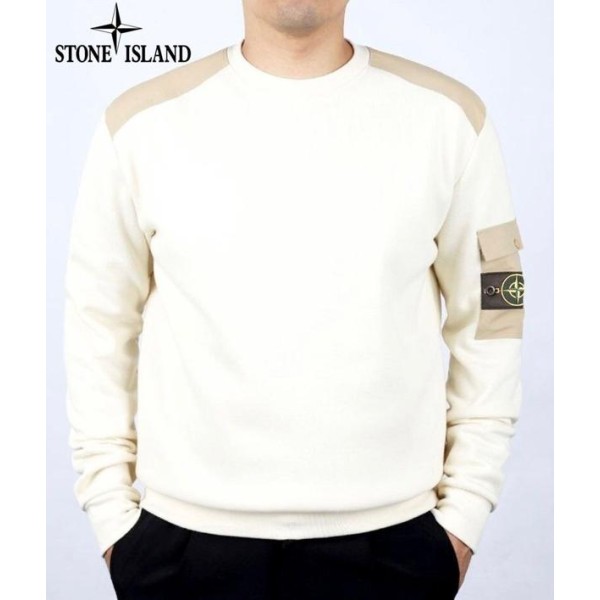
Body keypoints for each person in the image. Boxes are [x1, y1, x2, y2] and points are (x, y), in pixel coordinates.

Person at [63, 1, 525, 598]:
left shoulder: (452, 120)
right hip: (182, 551)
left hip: (394, 549)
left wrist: (465, 511)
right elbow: (96, 324)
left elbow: (496, 316)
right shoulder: (139, 125)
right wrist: (111, 516)